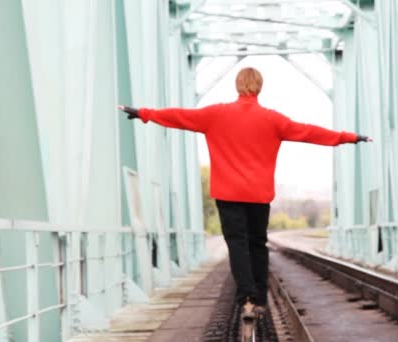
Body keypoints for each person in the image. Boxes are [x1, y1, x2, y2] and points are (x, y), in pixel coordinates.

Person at [118, 67, 371, 318]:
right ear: (259, 87)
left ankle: (247, 296)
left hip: (228, 195)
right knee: (258, 244)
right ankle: (260, 298)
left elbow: (180, 116)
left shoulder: (216, 114)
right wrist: (349, 137)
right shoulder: (273, 119)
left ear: (237, 86)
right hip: (258, 196)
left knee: (237, 245)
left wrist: (144, 113)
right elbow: (310, 132)